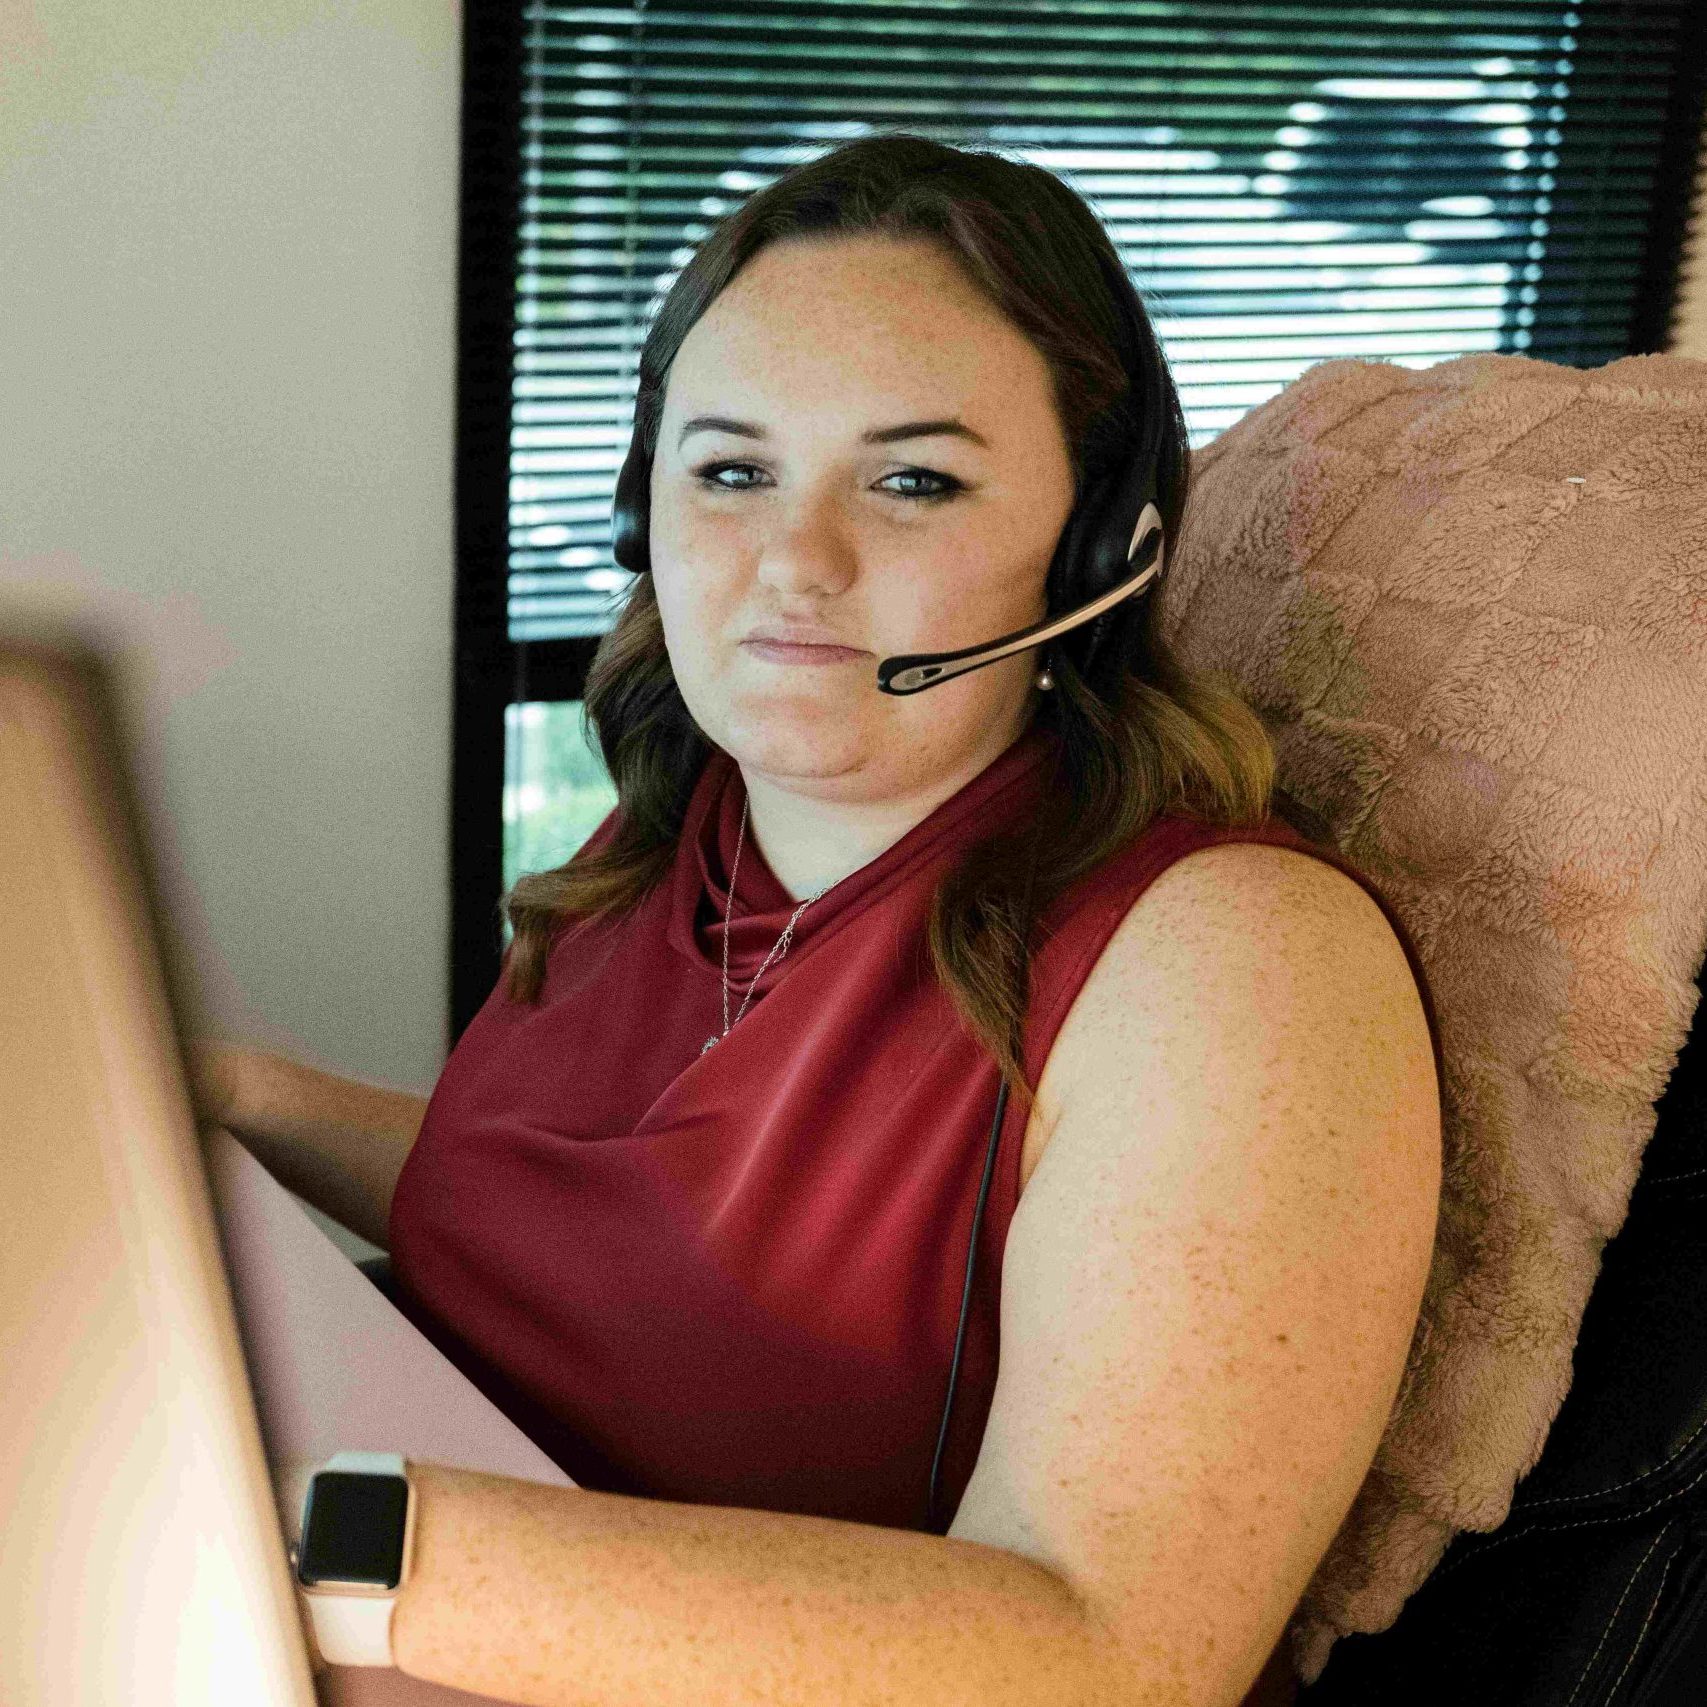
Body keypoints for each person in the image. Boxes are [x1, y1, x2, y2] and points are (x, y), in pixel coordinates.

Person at [195, 133, 1443, 1707]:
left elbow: (1116, 1656)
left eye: (912, 480)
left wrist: (317, 1541)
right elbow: (621, 1226)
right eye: (731, 471)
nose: (794, 562)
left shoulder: (1235, 966)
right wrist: (229, 1095)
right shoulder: (680, 824)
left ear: (1098, 550)